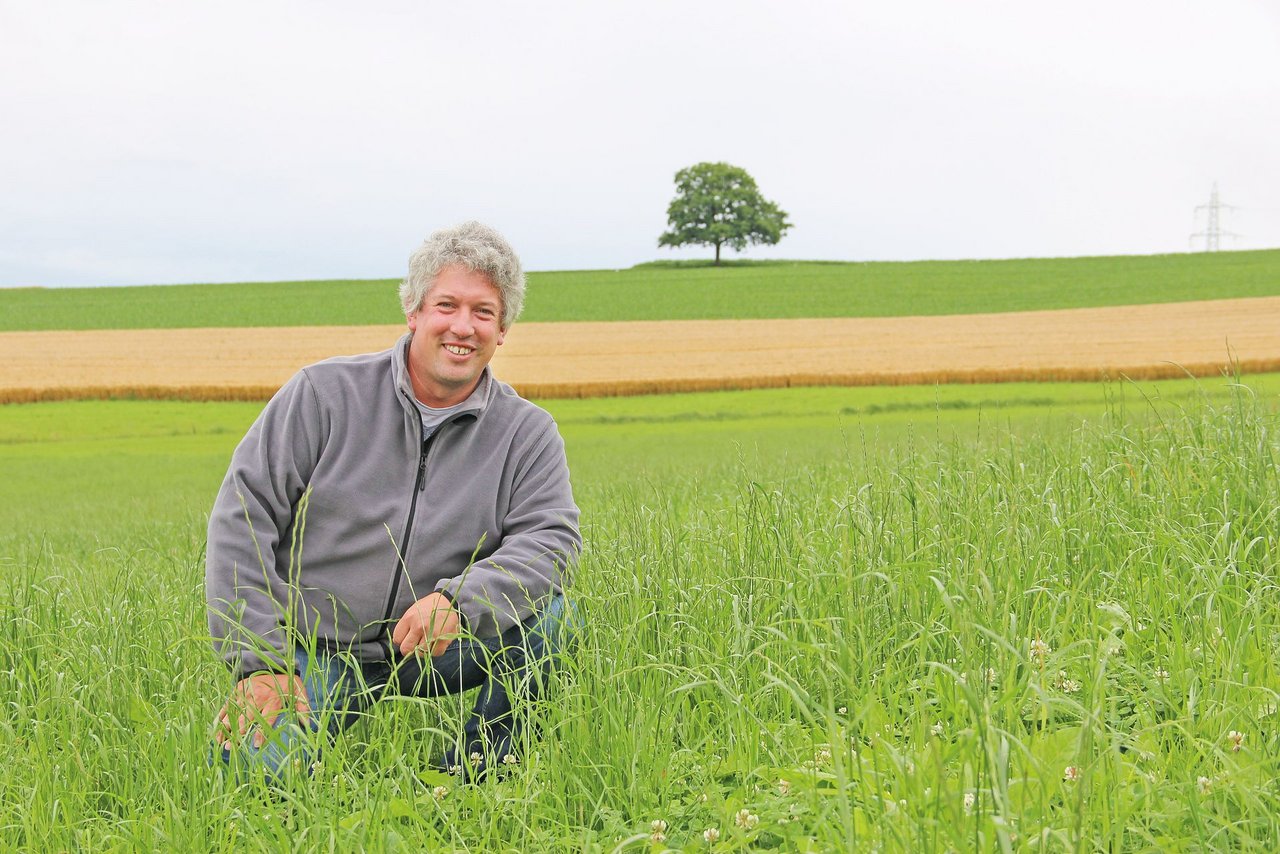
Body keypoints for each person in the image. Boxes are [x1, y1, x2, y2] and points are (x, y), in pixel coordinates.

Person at [206, 221, 580, 781]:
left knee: (555, 621)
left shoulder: (527, 432)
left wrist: (460, 600)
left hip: (438, 646)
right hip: (319, 649)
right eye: (446, 305)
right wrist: (259, 662)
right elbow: (244, 513)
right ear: (413, 311)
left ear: (502, 330)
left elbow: (552, 540)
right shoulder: (323, 395)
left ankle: (477, 776)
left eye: (483, 312)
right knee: (247, 780)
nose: (463, 326)